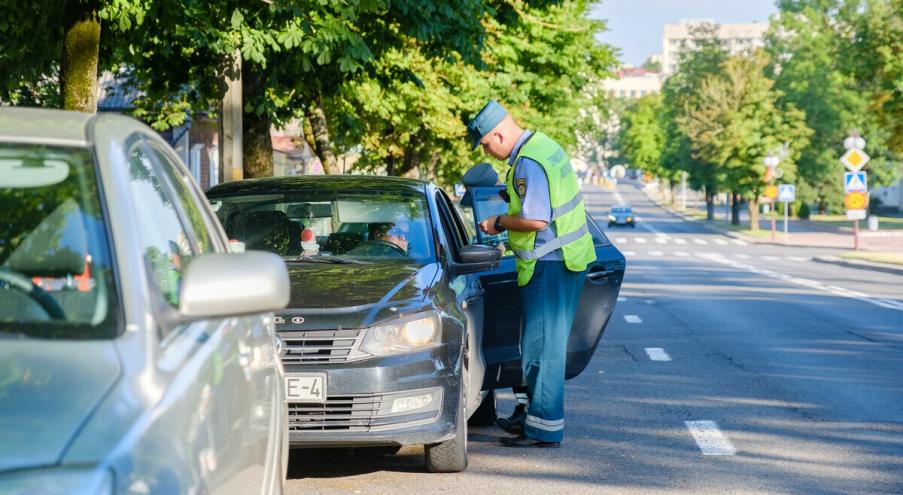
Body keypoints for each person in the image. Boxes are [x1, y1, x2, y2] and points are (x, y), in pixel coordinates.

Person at [468, 99, 596, 448]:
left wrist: (497, 222)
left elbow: (536, 219)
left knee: (543, 351)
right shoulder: (544, 146)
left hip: (549, 264)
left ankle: (542, 430)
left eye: (485, 144)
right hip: (565, 259)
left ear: (498, 133)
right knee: (542, 346)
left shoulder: (528, 162)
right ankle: (532, 418)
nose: (487, 151)